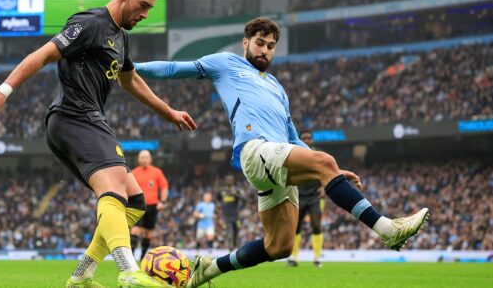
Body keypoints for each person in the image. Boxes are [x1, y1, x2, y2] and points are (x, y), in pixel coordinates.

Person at [135, 17, 430, 287]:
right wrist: (131, 68)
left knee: (280, 246)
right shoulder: (225, 63)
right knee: (324, 160)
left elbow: (293, 139)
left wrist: (333, 172)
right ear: (246, 42)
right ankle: (387, 229)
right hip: (255, 150)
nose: (265, 50)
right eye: (259, 43)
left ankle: (207, 270)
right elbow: (176, 69)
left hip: (277, 158)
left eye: (271, 46)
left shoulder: (277, 87)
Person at [0, 0, 196, 288]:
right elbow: (43, 54)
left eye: (151, 8)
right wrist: (3, 90)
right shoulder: (89, 24)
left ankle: (82, 275)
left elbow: (131, 81)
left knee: (135, 201)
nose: (146, 13)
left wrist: (168, 111)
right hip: (73, 116)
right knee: (114, 190)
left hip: (88, 120)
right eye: (143, 5)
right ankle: (128, 269)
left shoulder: (120, 38)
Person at [287, 130, 325, 267]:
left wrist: (323, 187)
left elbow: (324, 171)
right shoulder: (293, 153)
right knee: (296, 227)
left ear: (312, 140)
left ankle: (317, 258)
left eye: (309, 138)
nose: (307, 140)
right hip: (298, 195)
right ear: (300, 139)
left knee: (316, 225)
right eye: (304, 138)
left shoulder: (318, 155)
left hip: (315, 195)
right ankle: (293, 258)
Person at [130, 150, 169, 261]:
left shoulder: (157, 172)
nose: (144, 159)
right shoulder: (133, 173)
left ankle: (142, 257)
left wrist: (163, 201)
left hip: (152, 206)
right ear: (138, 159)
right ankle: (131, 258)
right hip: (138, 205)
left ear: (150, 159)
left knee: (147, 233)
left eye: (146, 157)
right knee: (135, 230)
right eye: (142, 157)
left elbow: (164, 187)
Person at [218, 175, 241, 251]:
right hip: (227, 216)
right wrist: (219, 206)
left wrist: (234, 194)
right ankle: (230, 249)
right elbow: (218, 198)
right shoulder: (222, 191)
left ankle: (235, 246)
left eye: (230, 180)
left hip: (236, 216)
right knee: (230, 232)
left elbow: (245, 199)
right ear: (225, 181)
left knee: (236, 232)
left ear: (233, 181)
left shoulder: (236, 190)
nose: (229, 181)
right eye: (227, 180)